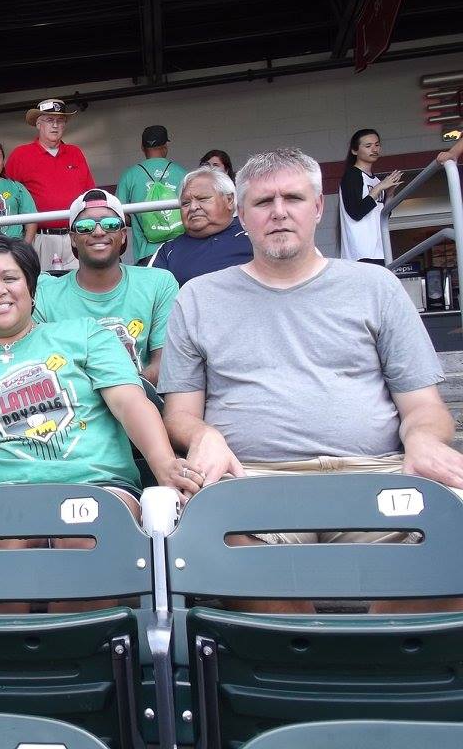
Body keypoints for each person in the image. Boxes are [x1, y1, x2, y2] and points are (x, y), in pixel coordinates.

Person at [160, 149, 463, 572]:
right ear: (242, 216)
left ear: (318, 207)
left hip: (373, 474)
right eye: (264, 203)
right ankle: (298, 636)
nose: (279, 213)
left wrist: (424, 439)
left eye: (294, 199)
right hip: (255, 477)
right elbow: (179, 414)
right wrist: (202, 434)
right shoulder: (198, 297)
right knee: (217, 535)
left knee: (445, 538)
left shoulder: (376, 286)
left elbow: (426, 407)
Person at [0, 232, 198, 501]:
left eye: (10, 278)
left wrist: (164, 467)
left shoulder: (85, 335)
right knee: (2, 544)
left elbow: (129, 404)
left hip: (96, 487)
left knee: (79, 535)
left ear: (31, 289)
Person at [35, 189, 177, 386]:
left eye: (110, 224)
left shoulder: (159, 283)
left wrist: (124, 395)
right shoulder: (45, 295)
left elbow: (165, 363)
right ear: (73, 238)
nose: (99, 231)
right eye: (85, 226)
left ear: (123, 235)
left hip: (144, 403)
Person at [5, 98, 96, 272]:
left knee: (81, 286)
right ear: (38, 124)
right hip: (40, 238)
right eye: (49, 120)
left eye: (60, 121)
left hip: (76, 236)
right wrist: (22, 243)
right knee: (41, 289)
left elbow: (90, 195)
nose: (55, 125)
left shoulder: (75, 153)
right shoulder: (21, 155)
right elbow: (9, 199)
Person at [150, 166, 254, 286]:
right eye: (185, 203)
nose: (193, 207)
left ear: (229, 200)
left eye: (203, 199)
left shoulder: (254, 234)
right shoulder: (168, 250)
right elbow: (152, 295)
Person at [115, 125, 188, 263]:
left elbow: (120, 215)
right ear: (166, 145)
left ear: (142, 148)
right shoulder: (182, 174)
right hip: (181, 250)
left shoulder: (129, 175)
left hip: (146, 253)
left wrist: (140, 219)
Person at [339, 128, 402, 264]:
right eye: (368, 146)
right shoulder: (352, 175)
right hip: (361, 253)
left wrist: (389, 194)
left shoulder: (377, 181)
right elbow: (356, 212)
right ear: (354, 150)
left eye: (377, 145)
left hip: (380, 249)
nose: (374, 149)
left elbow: (383, 215)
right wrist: (379, 188)